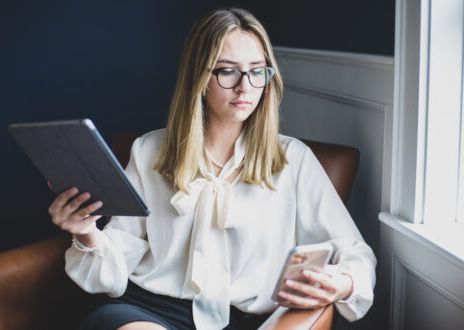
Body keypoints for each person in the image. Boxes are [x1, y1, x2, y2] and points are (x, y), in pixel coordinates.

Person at [48, 7, 376, 330]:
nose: (245, 86)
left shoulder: (295, 160)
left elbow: (354, 252)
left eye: (257, 70)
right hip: (148, 309)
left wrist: (343, 283)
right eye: (227, 70)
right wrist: (85, 232)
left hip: (244, 318)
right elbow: (120, 252)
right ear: (200, 77)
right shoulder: (149, 150)